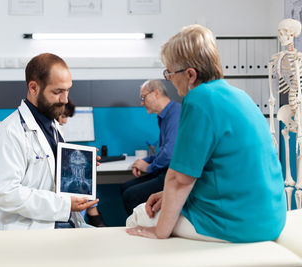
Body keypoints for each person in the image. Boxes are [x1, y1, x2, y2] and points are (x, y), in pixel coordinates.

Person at [127, 24, 286, 243]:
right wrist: (167, 197)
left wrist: (159, 232)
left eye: (170, 73)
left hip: (239, 225)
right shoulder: (238, 95)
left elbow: (180, 180)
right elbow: (224, 171)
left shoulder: (198, 100)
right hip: (270, 219)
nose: (170, 80)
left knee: (138, 216)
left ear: (190, 74)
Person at [0, 53, 99, 230]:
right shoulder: (9, 134)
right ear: (33, 88)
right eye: (58, 92)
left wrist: (76, 163)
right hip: (22, 232)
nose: (65, 99)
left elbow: (46, 174)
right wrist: (64, 205)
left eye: (68, 90)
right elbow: (4, 193)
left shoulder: (52, 125)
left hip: (54, 222)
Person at [120, 80, 181, 216]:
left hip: (174, 175)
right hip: (166, 171)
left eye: (143, 97)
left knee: (131, 195)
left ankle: (143, 229)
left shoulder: (175, 114)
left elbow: (169, 154)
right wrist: (146, 161)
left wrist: (148, 168)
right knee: (125, 188)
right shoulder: (165, 116)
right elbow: (163, 151)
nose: (142, 103)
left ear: (156, 93)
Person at [57, 100, 107, 227]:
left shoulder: (57, 134)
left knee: (88, 198)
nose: (65, 121)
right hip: (59, 215)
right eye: (63, 116)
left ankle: (99, 226)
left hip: (76, 215)